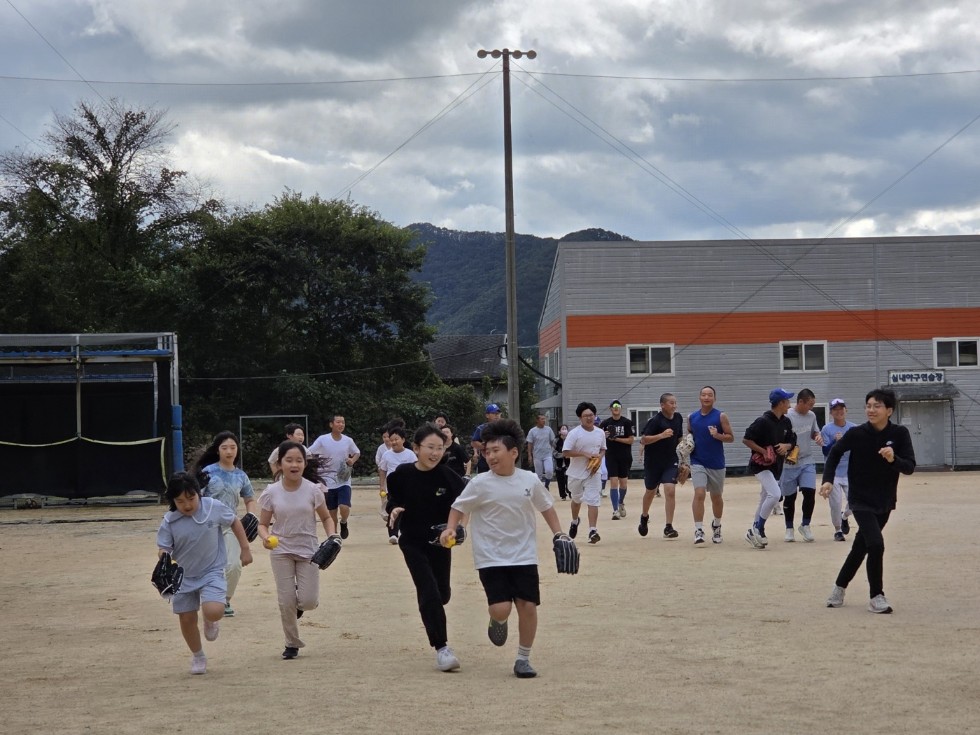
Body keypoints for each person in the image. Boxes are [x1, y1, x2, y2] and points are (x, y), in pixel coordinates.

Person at [438, 418, 567, 679]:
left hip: (524, 554)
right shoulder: (480, 483)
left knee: (528, 605)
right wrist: (451, 528)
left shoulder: (529, 480)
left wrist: (560, 534)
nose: (490, 456)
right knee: (501, 609)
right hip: (491, 556)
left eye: (496, 451)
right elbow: (458, 507)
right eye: (487, 452)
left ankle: (523, 658)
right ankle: (497, 620)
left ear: (514, 452)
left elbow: (546, 508)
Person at [821, 389, 915, 613]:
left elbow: (909, 467)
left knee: (860, 546)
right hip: (860, 499)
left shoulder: (900, 434)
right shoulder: (857, 433)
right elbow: (834, 453)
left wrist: (893, 459)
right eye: (868, 406)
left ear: (889, 410)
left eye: (877, 406)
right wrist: (828, 480)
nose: (871, 410)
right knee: (876, 544)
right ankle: (876, 596)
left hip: (884, 500)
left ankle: (839, 587)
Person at [386, 424, 467, 672]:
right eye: (430, 447)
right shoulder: (400, 475)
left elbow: (464, 505)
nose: (435, 453)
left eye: (440, 448)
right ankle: (442, 648)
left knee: (442, 594)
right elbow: (393, 502)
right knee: (428, 590)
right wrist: (394, 511)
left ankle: (434, 608)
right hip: (411, 541)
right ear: (416, 448)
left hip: (441, 542)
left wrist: (459, 528)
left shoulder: (448, 476)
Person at [156, 471, 253, 674]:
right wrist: (164, 559)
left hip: (212, 570)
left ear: (198, 493)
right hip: (182, 576)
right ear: (173, 500)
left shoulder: (213, 507)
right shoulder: (170, 521)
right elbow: (164, 547)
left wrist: (245, 548)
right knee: (186, 618)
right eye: (180, 501)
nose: (188, 505)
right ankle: (198, 655)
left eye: (191, 498)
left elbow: (234, 521)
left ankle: (210, 621)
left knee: (214, 610)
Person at [257, 441, 337, 659]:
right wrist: (265, 537)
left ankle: (299, 603)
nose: (294, 464)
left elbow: (327, 518)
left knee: (309, 601)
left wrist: (332, 536)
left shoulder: (313, 490)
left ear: (305, 463)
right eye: (289, 460)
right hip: (280, 550)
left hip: (308, 550)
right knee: (285, 601)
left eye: (299, 460)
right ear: (280, 463)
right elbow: (262, 524)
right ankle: (291, 643)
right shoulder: (271, 492)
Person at [193, 431, 257, 618]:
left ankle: (224, 599)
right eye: (224, 447)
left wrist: (251, 513)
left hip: (231, 525)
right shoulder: (208, 472)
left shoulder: (241, 476)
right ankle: (207, 596)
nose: (229, 451)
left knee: (234, 566)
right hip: (208, 525)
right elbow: (196, 498)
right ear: (217, 450)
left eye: (233, 447)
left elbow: (249, 498)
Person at [743, 389, 798, 549]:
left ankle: (755, 530)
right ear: (781, 403)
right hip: (760, 465)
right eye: (787, 401)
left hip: (776, 466)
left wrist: (786, 446)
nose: (789, 404)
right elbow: (747, 439)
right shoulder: (763, 421)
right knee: (775, 494)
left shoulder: (786, 422)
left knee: (765, 496)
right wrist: (763, 451)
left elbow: (792, 441)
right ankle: (757, 528)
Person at [688, 385, 734, 544]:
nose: (707, 397)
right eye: (704, 395)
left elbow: (730, 437)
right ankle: (698, 530)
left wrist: (717, 435)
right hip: (697, 461)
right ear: (699, 397)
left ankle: (717, 525)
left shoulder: (721, 416)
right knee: (699, 493)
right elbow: (689, 436)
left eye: (710, 395)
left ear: (714, 398)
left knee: (716, 497)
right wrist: (685, 444)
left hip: (716, 463)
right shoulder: (692, 417)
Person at [780, 389, 824, 542]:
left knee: (809, 492)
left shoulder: (811, 416)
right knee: (790, 497)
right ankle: (789, 528)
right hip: (789, 462)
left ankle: (805, 525)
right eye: (809, 404)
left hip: (807, 460)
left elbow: (814, 432)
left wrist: (817, 436)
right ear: (800, 402)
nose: (811, 408)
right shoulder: (787, 416)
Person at [637, 393, 682, 540]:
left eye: (675, 403)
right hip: (653, 462)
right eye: (671, 403)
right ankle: (644, 516)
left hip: (670, 461)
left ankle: (668, 526)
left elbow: (679, 437)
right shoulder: (655, 421)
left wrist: (684, 457)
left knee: (670, 490)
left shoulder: (678, 418)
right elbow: (644, 439)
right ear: (662, 405)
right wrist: (661, 435)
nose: (674, 405)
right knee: (650, 491)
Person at [308, 415, 360, 540]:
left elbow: (357, 452)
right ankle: (334, 536)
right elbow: (309, 452)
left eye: (343, 422)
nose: (341, 424)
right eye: (338, 422)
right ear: (331, 424)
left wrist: (352, 460)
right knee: (331, 512)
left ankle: (344, 522)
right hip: (326, 480)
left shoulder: (348, 440)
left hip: (343, 479)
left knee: (344, 506)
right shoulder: (323, 439)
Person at [562, 401, 607, 544]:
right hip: (576, 473)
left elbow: (603, 448)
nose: (589, 418)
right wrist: (584, 454)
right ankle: (575, 521)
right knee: (576, 499)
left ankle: (593, 530)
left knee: (593, 499)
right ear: (580, 418)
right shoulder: (574, 433)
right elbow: (566, 452)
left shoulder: (600, 432)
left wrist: (599, 457)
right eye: (586, 415)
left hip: (594, 472)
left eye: (591, 415)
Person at [821, 398, 857, 541]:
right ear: (831, 413)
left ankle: (844, 516)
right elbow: (825, 452)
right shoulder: (827, 429)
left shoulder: (854, 428)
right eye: (835, 409)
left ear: (846, 411)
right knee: (835, 504)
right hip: (833, 473)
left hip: (851, 471)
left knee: (855, 502)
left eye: (841, 409)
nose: (839, 412)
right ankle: (838, 530)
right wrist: (835, 442)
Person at [379, 426, 418, 544]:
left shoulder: (410, 454)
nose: (394, 442)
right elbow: (382, 470)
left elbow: (416, 469)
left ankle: (404, 531)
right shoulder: (386, 455)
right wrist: (382, 485)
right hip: (392, 487)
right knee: (393, 509)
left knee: (406, 510)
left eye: (396, 439)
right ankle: (393, 534)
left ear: (403, 440)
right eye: (392, 440)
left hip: (408, 487)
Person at [599, 400, 635, 519]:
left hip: (624, 456)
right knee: (613, 481)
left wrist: (616, 439)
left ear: (621, 408)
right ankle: (615, 510)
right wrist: (604, 436)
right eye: (613, 406)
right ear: (610, 409)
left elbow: (631, 440)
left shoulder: (627, 422)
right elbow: (598, 437)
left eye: (618, 406)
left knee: (623, 483)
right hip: (611, 456)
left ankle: (620, 502)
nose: (616, 408)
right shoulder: (605, 423)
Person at [526, 414, 556, 492]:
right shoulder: (532, 431)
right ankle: (540, 490)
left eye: (544, 419)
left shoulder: (548, 429)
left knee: (549, 471)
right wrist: (529, 455)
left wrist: (553, 449)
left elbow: (552, 441)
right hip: (537, 455)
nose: (544, 421)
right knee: (538, 474)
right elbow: (530, 443)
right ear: (537, 420)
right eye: (542, 419)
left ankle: (546, 485)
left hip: (547, 454)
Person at [471, 403, 502, 474]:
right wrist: (485, 447)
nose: (497, 415)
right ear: (487, 415)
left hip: (500, 459)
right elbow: (473, 442)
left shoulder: (504, 427)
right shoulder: (481, 428)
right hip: (485, 460)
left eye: (498, 413)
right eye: (494, 413)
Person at [553, 425, 570, 500]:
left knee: (568, 479)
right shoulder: (556, 440)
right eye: (562, 429)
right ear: (559, 431)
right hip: (558, 463)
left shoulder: (570, 440)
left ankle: (569, 492)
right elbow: (553, 452)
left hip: (568, 463)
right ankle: (563, 495)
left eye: (565, 429)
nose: (564, 430)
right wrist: (562, 455)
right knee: (560, 479)